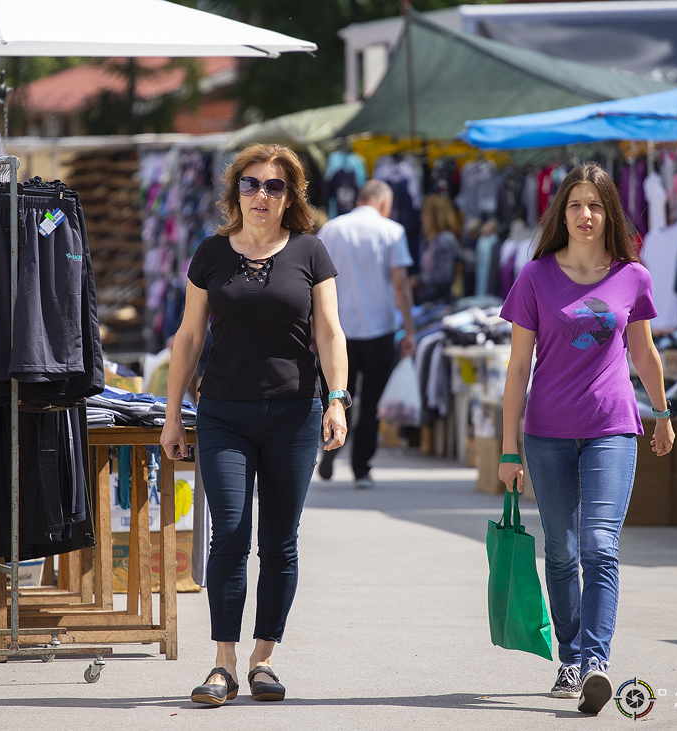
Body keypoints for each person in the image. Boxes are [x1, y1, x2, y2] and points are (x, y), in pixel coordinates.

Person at [159, 143, 349, 706]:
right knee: (231, 535)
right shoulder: (211, 253)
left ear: (290, 196)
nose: (261, 195)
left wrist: (336, 400)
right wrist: (172, 416)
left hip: (295, 413)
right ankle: (223, 664)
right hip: (223, 413)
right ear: (234, 192)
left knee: (280, 542)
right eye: (251, 184)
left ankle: (264, 659)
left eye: (274, 186)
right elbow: (188, 337)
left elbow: (330, 332)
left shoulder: (311, 253)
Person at [497, 162, 675, 715]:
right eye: (575, 205)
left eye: (595, 205)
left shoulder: (632, 276)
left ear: (609, 213)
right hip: (546, 434)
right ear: (561, 213)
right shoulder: (535, 277)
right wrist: (507, 449)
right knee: (561, 549)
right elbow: (517, 367)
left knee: (600, 545)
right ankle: (569, 658)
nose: (585, 215)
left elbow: (643, 353)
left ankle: (596, 662)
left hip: (612, 429)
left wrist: (663, 412)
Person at [315, 179, 415, 489]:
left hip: (337, 329)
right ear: (383, 203)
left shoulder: (331, 229)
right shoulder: (391, 231)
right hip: (379, 328)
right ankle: (361, 469)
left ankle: (331, 444)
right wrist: (409, 328)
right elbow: (399, 283)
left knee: (337, 395)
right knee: (370, 402)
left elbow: (314, 281)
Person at [410, 193, 460, 304]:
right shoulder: (433, 240)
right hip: (428, 301)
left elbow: (444, 276)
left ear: (435, 216)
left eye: (425, 214)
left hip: (440, 304)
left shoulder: (445, 240)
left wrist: (419, 280)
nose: (422, 218)